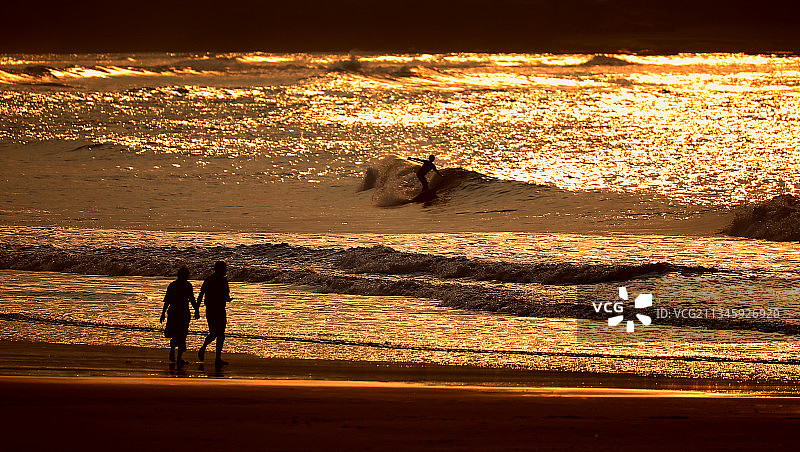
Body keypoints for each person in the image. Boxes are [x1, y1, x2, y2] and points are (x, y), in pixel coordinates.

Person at [197, 261, 232, 365]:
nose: (226, 270)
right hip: (219, 309)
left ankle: (213, 354)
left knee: (216, 333)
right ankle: (211, 354)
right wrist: (228, 299)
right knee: (218, 334)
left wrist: (197, 309)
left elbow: (201, 294)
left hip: (211, 309)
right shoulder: (223, 281)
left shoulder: (208, 279)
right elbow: (226, 297)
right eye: (224, 268)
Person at [159, 267, 197, 365]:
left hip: (173, 311)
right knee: (182, 334)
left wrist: (163, 313)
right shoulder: (187, 285)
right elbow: (192, 299)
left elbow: (167, 300)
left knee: (176, 333)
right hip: (183, 312)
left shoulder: (172, 285)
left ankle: (172, 350)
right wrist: (196, 310)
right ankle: (179, 357)